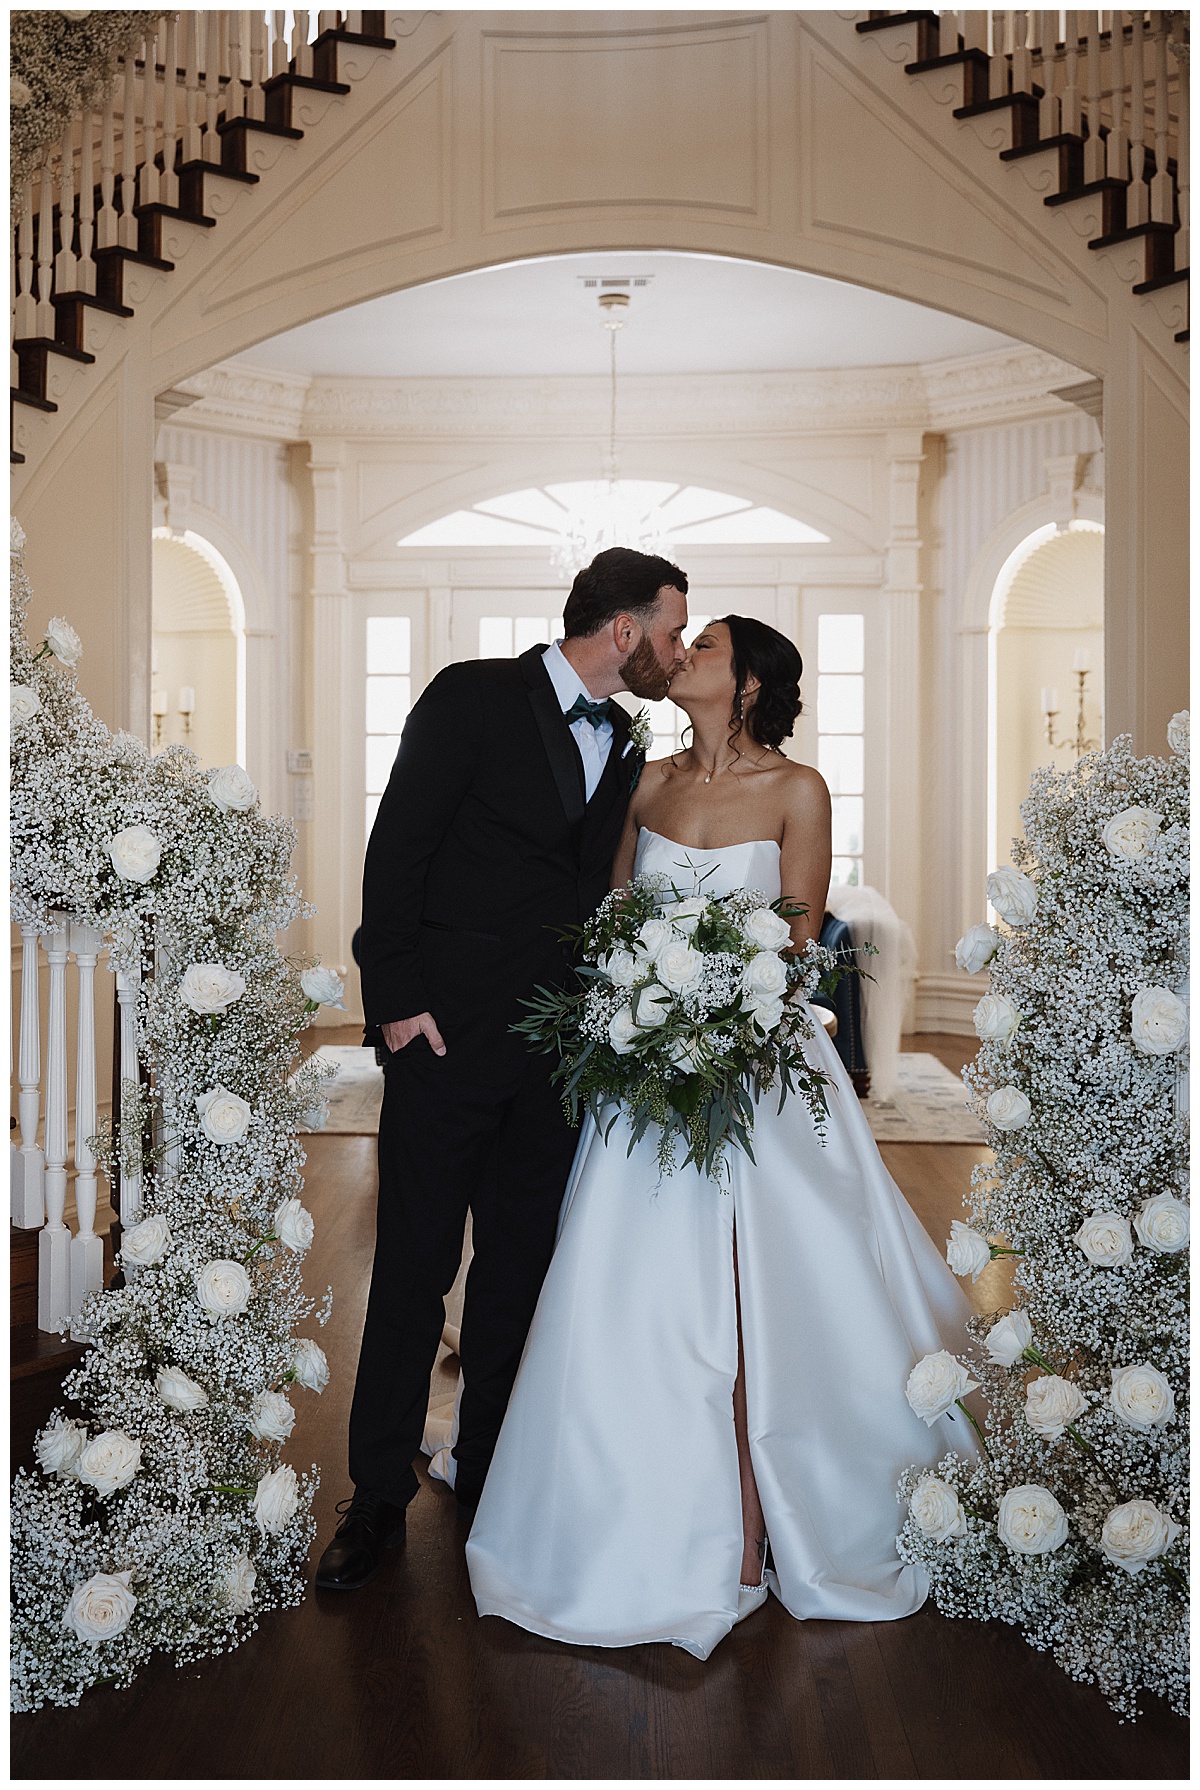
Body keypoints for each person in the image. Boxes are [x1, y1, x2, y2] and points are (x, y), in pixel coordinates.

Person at [464, 615, 977, 1657]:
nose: (682, 652)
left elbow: (798, 940)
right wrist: (638, 1009)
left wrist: (719, 1015)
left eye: (704, 645)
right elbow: (608, 914)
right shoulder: (644, 782)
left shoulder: (798, 790)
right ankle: (660, 1510)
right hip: (640, 1075)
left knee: (766, 1296)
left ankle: (765, 1513)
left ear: (746, 685)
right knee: (643, 1298)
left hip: (758, 1071)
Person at [315, 548, 690, 1591]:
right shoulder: (471, 694)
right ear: (623, 630)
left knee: (519, 1271)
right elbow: (398, 847)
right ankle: (376, 1496)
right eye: (670, 629)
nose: (675, 647)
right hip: (443, 1041)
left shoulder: (623, 736)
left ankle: (488, 1470)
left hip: (557, 1053)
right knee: (412, 1275)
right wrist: (394, 1002)